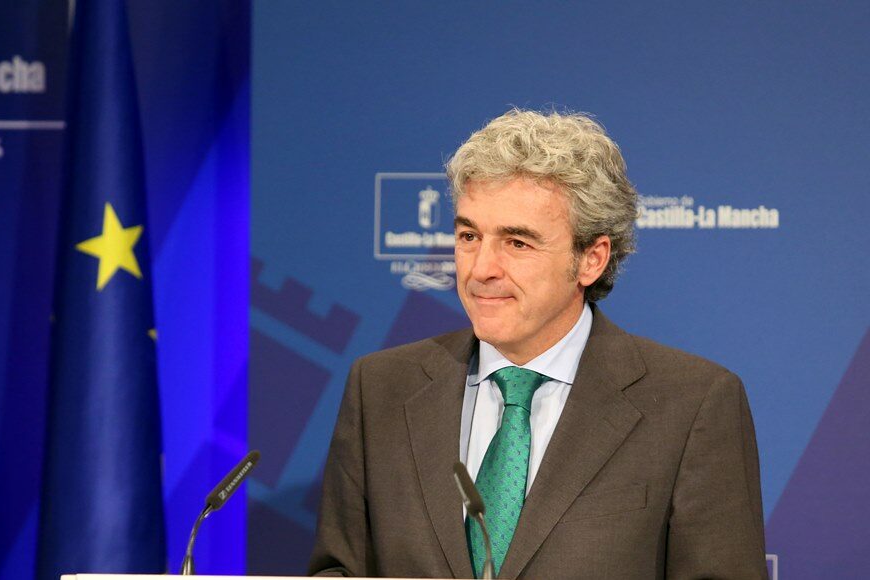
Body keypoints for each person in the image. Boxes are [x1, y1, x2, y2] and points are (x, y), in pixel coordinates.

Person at [309, 109, 767, 579]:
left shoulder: (691, 405)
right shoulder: (381, 388)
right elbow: (339, 571)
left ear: (591, 259)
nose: (481, 268)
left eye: (517, 243)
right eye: (469, 236)